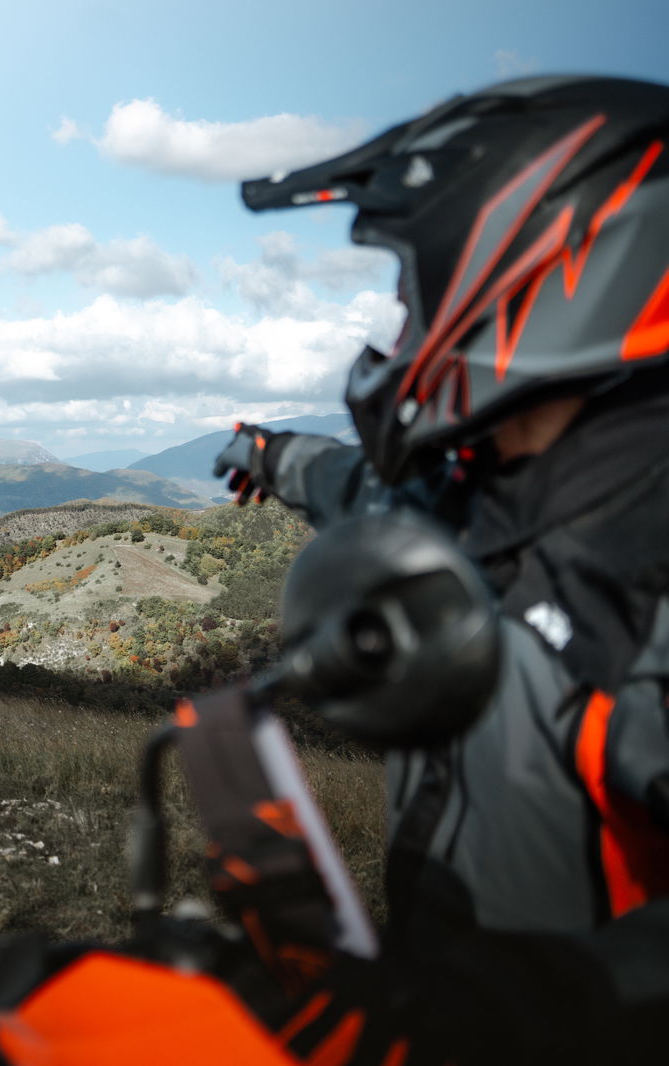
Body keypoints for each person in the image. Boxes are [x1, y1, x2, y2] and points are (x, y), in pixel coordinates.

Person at [211, 75, 669, 1063]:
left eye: (411, 292)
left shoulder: (642, 565)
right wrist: (268, 454)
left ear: (543, 279)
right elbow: (353, 491)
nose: (400, 329)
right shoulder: (477, 486)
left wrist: (533, 1002)